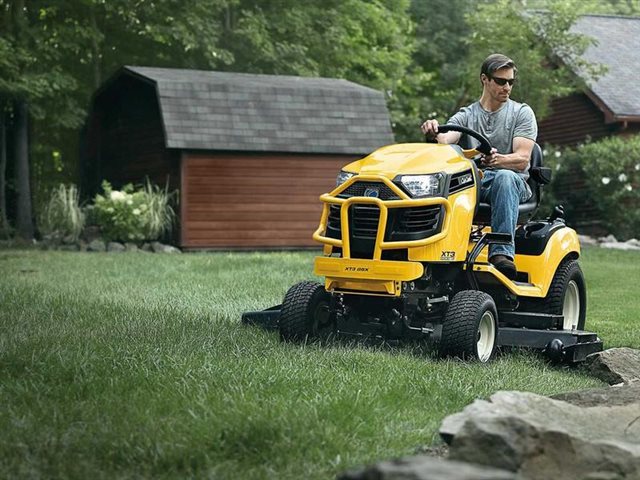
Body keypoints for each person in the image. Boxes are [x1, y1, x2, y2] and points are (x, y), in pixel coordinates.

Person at [421, 53, 537, 280]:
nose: (507, 87)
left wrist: (497, 160)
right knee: (446, 182)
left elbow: (522, 159)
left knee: (504, 177)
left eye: (511, 82)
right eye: (501, 81)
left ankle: (502, 254)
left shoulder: (521, 113)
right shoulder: (467, 115)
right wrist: (434, 131)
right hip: (478, 181)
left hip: (514, 183)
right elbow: (445, 139)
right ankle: (434, 252)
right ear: (485, 79)